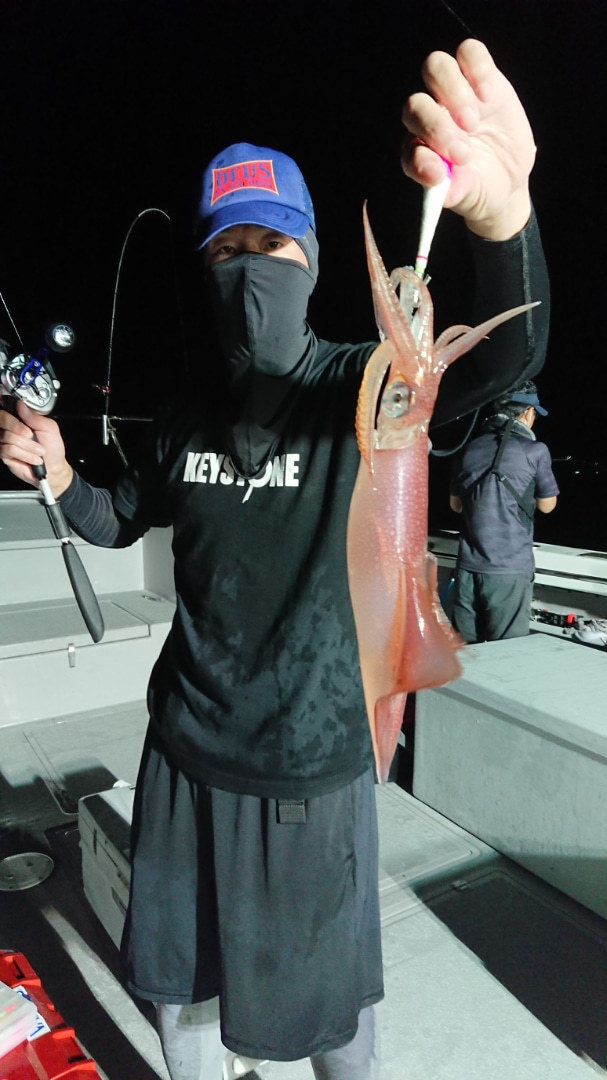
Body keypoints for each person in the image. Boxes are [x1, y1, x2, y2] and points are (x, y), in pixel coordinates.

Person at [0, 40, 550, 1080]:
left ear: (311, 260)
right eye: (225, 247)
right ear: (203, 263)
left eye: (275, 243)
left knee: (331, 1017)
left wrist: (502, 224)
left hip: (312, 770)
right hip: (183, 757)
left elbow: (507, 359)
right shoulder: (182, 411)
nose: (249, 265)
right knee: (182, 996)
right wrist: (63, 472)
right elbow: (118, 519)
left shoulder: (364, 391)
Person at [449, 379, 559, 643]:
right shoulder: (535, 450)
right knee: (508, 651)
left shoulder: (470, 448)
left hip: (468, 570)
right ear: (527, 413)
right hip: (509, 571)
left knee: (466, 653)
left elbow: (455, 505)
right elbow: (547, 505)